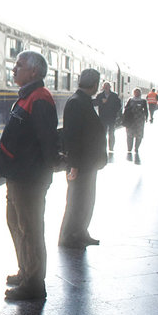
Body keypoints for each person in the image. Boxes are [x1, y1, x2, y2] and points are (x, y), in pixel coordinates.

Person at [0, 51, 59, 301]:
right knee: (16, 225)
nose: (13, 69)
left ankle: (34, 284)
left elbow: (47, 140)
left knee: (30, 230)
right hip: (18, 176)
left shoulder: (39, 98)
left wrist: (43, 173)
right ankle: (25, 270)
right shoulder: (28, 96)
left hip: (29, 179)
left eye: (18, 65)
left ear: (33, 71)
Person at [58, 69, 107, 249]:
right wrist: (74, 165)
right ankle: (68, 236)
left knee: (85, 200)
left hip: (88, 163)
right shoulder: (76, 102)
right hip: (81, 164)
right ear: (94, 85)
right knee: (76, 201)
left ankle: (80, 232)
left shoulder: (82, 101)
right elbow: (72, 137)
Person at [94, 82, 122, 152]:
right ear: (103, 87)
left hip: (112, 116)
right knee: (103, 132)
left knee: (111, 132)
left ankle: (111, 147)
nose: (106, 87)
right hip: (103, 116)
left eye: (107, 86)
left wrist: (114, 111)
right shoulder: (100, 95)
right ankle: (103, 147)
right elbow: (95, 103)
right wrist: (101, 101)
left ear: (110, 87)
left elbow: (119, 105)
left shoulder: (114, 95)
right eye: (105, 86)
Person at [123, 88, 148, 154]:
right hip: (130, 119)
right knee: (129, 134)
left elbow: (146, 110)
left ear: (140, 93)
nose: (136, 93)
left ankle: (136, 148)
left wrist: (147, 117)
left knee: (139, 135)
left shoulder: (143, 101)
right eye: (135, 92)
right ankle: (129, 148)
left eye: (138, 92)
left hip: (139, 120)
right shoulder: (130, 100)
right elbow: (126, 108)